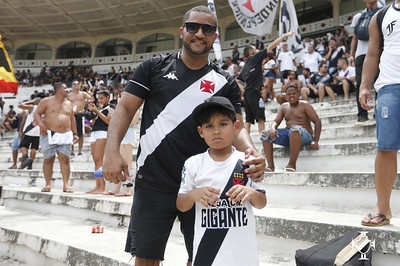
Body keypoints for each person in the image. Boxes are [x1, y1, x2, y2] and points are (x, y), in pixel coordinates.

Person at [102, 6, 265, 266]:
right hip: (153, 180)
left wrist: (252, 153)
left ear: (215, 37)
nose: (199, 33)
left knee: (201, 258)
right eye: (193, 27)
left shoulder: (225, 82)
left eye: (208, 29)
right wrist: (111, 151)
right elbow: (124, 108)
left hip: (202, 184)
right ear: (182, 31)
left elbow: (238, 127)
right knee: (145, 258)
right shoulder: (153, 68)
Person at [177, 96, 266, 265]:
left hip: (242, 253)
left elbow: (261, 202)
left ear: (236, 127)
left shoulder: (247, 161)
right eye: (209, 126)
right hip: (207, 252)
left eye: (223, 124)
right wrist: (194, 194)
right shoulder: (193, 164)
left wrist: (251, 192)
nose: (216, 131)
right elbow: (181, 204)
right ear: (201, 132)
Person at [360, 0, 400, 227]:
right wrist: (365, 85)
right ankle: (383, 208)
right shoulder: (380, 17)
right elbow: (372, 54)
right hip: (389, 87)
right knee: (385, 147)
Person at [238, 32, 295, 133]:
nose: (257, 49)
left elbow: (237, 80)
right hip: (255, 93)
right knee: (261, 119)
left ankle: (246, 144)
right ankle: (264, 141)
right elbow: (272, 46)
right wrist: (284, 36)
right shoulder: (256, 57)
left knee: (248, 120)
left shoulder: (246, 65)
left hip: (247, 94)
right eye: (255, 49)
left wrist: (244, 88)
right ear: (251, 52)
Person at [261, 84, 321, 172]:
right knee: (265, 133)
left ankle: (292, 165)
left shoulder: (305, 105)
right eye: (289, 94)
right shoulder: (284, 106)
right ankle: (270, 166)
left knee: (295, 129)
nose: (291, 96)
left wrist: (315, 141)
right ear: (285, 95)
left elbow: (317, 121)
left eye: (294, 93)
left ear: (299, 94)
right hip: (290, 134)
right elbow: (276, 121)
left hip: (304, 135)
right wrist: (272, 128)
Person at [33, 82, 78, 193]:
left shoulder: (69, 103)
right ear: (58, 90)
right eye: (65, 88)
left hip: (65, 134)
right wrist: (41, 125)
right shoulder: (46, 101)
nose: (68, 90)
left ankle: (66, 185)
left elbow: (72, 119)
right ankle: (48, 184)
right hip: (49, 133)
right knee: (48, 160)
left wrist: (75, 134)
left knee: (65, 160)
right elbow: (36, 113)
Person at [349, 0, 380, 126]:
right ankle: (362, 115)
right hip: (361, 54)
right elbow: (355, 38)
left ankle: (378, 114)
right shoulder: (358, 17)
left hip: (378, 51)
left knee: (379, 82)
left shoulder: (382, 13)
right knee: (360, 84)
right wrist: (351, 54)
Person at [87, 90, 114, 194]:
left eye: (102, 98)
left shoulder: (111, 107)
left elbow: (108, 121)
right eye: (99, 98)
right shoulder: (101, 108)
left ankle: (102, 187)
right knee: (96, 161)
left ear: (107, 97)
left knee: (99, 160)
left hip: (102, 133)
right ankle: (97, 186)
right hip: (95, 132)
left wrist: (97, 111)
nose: (100, 100)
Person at [17, 93, 46, 169]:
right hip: (37, 132)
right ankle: (30, 164)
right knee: (34, 148)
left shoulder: (33, 107)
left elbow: (20, 105)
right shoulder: (45, 109)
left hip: (28, 131)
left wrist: (30, 102)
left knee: (23, 146)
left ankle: (26, 157)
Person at [67, 79, 93, 156]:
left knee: (81, 134)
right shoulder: (69, 95)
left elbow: (91, 99)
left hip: (80, 114)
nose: (76, 85)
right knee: (72, 133)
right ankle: (72, 150)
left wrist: (90, 94)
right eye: (74, 84)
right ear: (72, 86)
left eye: (77, 84)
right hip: (71, 115)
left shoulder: (83, 94)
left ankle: (79, 151)